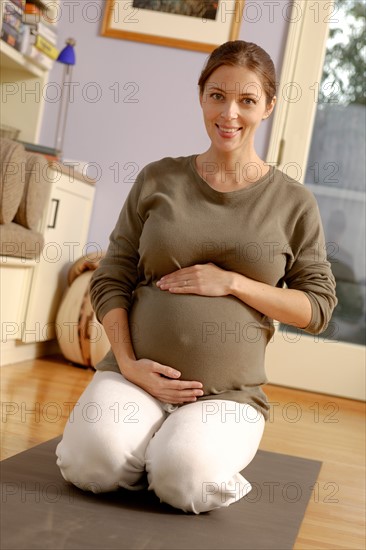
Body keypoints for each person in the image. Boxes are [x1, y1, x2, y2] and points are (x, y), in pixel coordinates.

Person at [56, 41, 337, 514]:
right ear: (201, 97)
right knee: (90, 465)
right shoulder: (157, 179)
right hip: (135, 377)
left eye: (247, 100)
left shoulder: (294, 203)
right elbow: (112, 276)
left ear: (268, 106)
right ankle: (149, 450)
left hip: (226, 393)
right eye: (217, 95)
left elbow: (318, 309)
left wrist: (232, 283)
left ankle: (175, 459)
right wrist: (126, 362)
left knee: (184, 480)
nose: (229, 112)